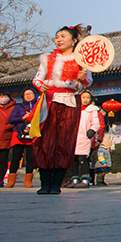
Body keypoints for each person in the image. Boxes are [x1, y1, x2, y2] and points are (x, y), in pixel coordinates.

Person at [32, 25, 93, 194]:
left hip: (69, 103)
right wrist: (41, 86)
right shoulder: (48, 59)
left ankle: (57, 183)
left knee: (64, 143)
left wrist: (83, 79)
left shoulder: (82, 60)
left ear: (74, 41)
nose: (58, 39)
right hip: (49, 102)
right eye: (57, 36)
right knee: (45, 142)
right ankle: (45, 183)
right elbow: (37, 79)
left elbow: (87, 82)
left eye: (63, 36)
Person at [6, 88, 37, 188]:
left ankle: (28, 181)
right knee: (16, 157)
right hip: (19, 135)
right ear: (23, 96)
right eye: (26, 94)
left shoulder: (38, 106)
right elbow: (11, 120)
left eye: (30, 94)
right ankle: (11, 180)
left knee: (30, 158)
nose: (28, 96)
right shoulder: (18, 107)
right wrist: (22, 118)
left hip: (32, 134)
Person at [69, 89, 100, 188]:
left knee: (83, 159)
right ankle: (74, 178)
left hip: (84, 137)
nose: (85, 100)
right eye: (83, 97)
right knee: (73, 159)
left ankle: (85, 178)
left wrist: (91, 131)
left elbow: (96, 123)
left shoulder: (91, 110)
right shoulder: (74, 108)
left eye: (87, 98)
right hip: (73, 137)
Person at [0, 92, 15, 187]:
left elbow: (17, 120)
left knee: (3, 159)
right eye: (1, 96)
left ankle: (0, 180)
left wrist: (7, 127)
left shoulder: (14, 108)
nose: (3, 98)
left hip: (5, 137)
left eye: (5, 96)